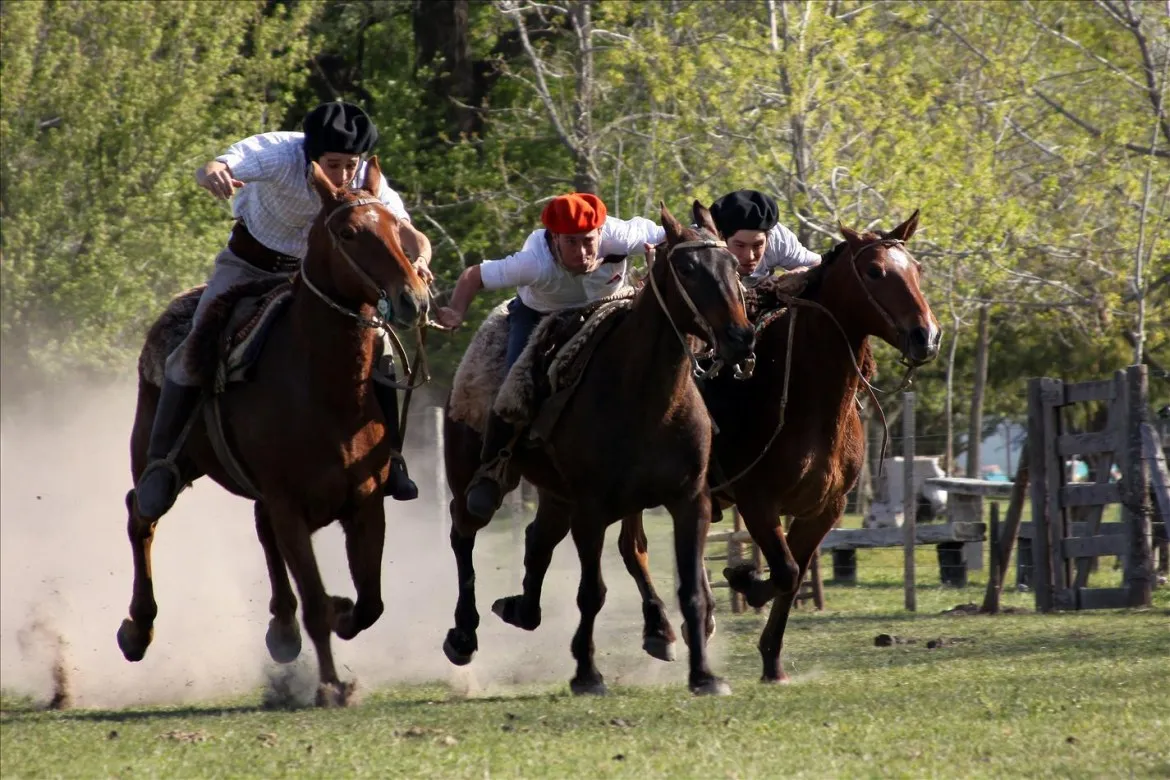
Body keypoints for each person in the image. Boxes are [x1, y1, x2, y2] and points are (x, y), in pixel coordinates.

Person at [135, 102, 432, 518]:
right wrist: (213, 171)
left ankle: (392, 460)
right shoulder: (279, 152)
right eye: (334, 164)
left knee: (381, 345)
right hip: (247, 266)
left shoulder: (364, 178)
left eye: (351, 164)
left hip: (315, 281)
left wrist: (418, 260)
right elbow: (223, 162)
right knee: (193, 346)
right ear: (310, 154)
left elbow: (408, 231)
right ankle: (162, 466)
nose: (344, 176)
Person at [435, 193, 665, 519]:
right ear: (554, 238)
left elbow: (675, 234)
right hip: (538, 316)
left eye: (589, 241)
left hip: (611, 307)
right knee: (514, 382)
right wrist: (456, 311)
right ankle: (494, 468)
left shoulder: (624, 236)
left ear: (602, 232)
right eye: (572, 243)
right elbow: (473, 275)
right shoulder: (533, 262)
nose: (583, 252)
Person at [708, 190, 820, 284]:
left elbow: (822, 262)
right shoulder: (703, 246)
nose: (750, 256)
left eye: (757, 245)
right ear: (721, 239)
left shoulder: (779, 240)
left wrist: (803, 271)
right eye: (740, 245)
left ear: (768, 240)